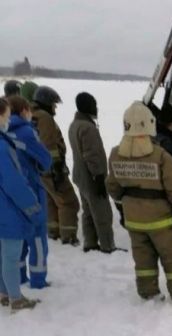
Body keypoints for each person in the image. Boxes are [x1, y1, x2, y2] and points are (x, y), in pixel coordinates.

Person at [106, 101, 172, 302]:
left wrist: (124, 208)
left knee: (143, 260)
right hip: (161, 221)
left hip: (134, 221)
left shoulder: (115, 155)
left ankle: (148, 293)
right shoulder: (160, 156)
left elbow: (113, 187)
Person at [0, 97, 44, 310]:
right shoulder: (1, 147)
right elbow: (13, 183)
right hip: (8, 209)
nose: (9, 119)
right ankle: (16, 299)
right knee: (10, 254)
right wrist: (32, 206)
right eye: (6, 115)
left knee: (4, 254)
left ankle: (4, 292)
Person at [7, 96, 52, 288]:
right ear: (24, 110)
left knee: (18, 235)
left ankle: (18, 276)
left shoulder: (4, 132)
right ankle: (38, 279)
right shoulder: (27, 132)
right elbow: (45, 159)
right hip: (31, 188)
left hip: (9, 191)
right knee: (37, 236)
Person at [32, 86, 80, 245]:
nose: (55, 108)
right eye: (53, 104)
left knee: (51, 201)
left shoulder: (33, 116)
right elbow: (49, 145)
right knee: (69, 201)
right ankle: (68, 236)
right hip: (50, 169)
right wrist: (57, 168)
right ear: (46, 103)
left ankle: (53, 231)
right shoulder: (45, 118)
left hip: (40, 169)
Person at [68, 92, 116, 253]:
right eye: (94, 104)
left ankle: (90, 243)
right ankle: (107, 246)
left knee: (88, 212)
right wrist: (99, 178)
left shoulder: (75, 124)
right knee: (102, 212)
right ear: (88, 106)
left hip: (80, 176)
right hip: (91, 177)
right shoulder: (87, 128)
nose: (96, 108)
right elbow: (92, 156)